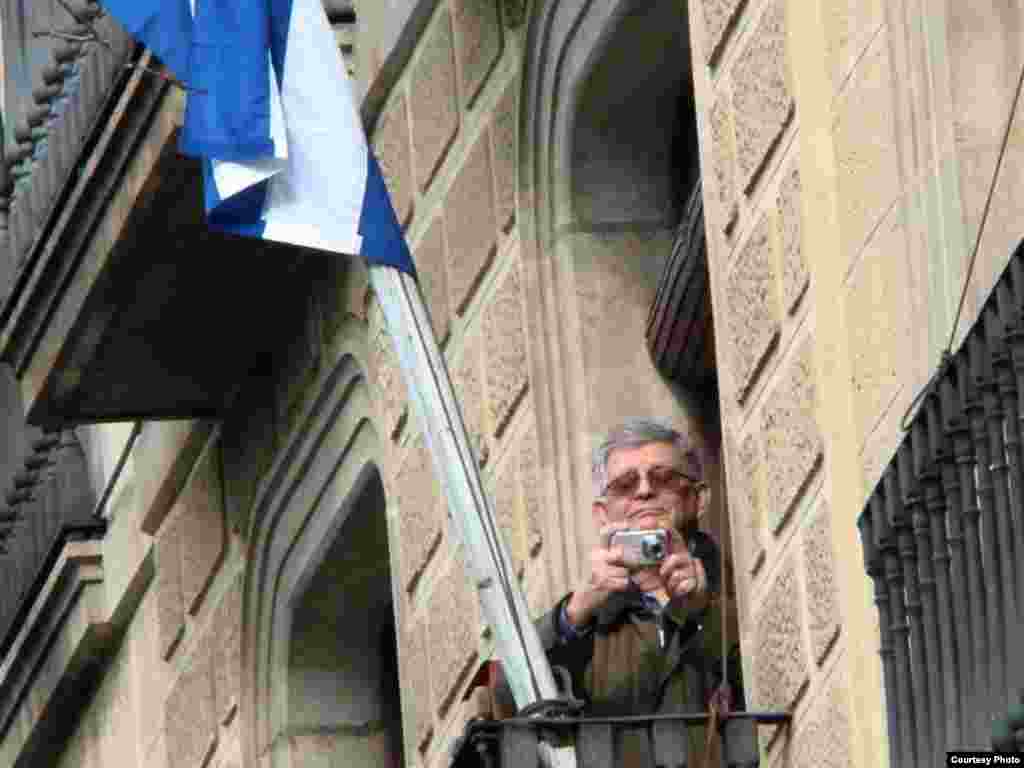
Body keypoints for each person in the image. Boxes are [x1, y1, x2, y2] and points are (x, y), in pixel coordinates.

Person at [493, 418, 728, 752]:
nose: (644, 491)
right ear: (603, 514)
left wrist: (704, 609)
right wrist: (572, 615)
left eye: (663, 479)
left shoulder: (738, 589)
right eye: (624, 485)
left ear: (698, 499)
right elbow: (508, 695)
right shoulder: (589, 620)